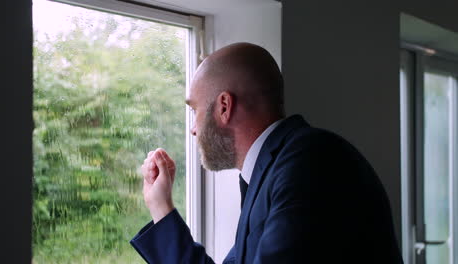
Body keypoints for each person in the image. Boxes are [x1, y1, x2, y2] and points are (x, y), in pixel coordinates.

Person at [130, 42, 404, 263]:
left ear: (224, 106)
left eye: (194, 110)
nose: (193, 128)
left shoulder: (310, 164)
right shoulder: (278, 168)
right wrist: (161, 208)